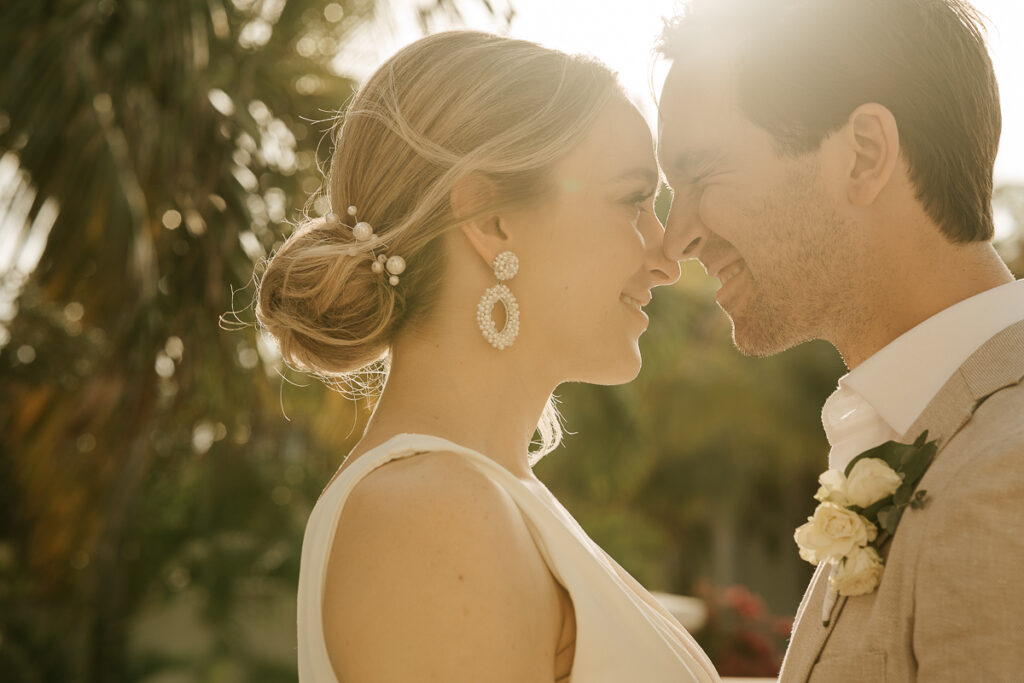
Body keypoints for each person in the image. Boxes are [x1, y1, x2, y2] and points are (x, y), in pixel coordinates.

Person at [255, 31, 719, 682]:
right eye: (633, 200)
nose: (667, 257)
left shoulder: (481, 498)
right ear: (490, 216)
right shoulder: (431, 519)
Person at [656, 0, 1024, 680]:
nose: (677, 240)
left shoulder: (1007, 473)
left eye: (702, 175)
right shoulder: (924, 438)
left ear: (865, 154)